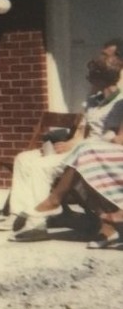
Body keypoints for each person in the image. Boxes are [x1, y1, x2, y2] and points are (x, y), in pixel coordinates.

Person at [0, 53, 123, 231]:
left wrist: (76, 146)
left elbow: (111, 138)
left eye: (92, 75)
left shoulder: (119, 104)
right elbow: (82, 131)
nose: (88, 79)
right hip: (79, 148)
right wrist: (70, 143)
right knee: (23, 158)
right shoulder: (93, 100)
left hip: (91, 156)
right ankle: (17, 214)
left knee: (41, 168)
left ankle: (38, 222)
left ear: (101, 78)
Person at [11, 94, 123, 248]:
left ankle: (53, 202)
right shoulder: (111, 103)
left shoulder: (117, 102)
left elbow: (119, 139)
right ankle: (108, 227)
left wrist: (103, 140)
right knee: (86, 156)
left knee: (86, 151)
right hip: (111, 151)